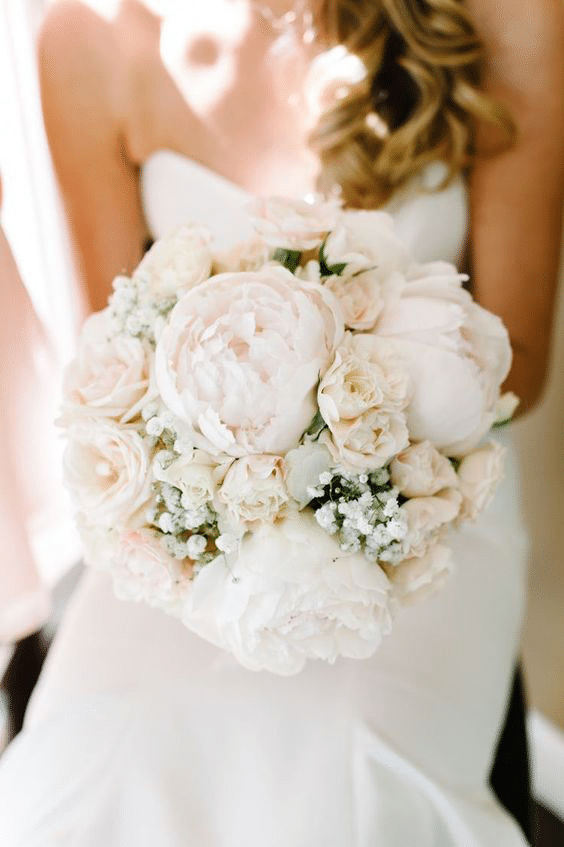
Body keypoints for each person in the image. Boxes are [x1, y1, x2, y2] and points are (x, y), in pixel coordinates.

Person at [0, 0, 563, 843]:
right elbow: (115, 361)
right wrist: (240, 457)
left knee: (350, 768)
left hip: (427, 497)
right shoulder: (90, 36)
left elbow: (519, 350)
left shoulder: (509, 15)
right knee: (101, 752)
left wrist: (335, 401)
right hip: (206, 515)